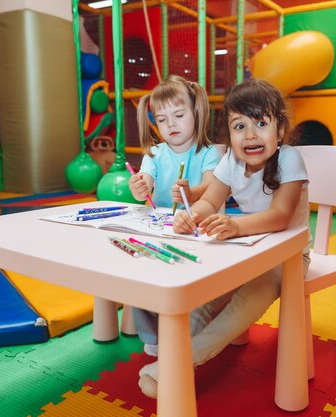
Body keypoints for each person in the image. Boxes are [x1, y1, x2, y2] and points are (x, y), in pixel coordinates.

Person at [138, 78, 312, 398]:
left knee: (242, 304)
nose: (250, 135)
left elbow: (280, 217)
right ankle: (174, 361)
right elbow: (208, 200)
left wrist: (235, 226)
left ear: (281, 130)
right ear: (229, 134)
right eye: (239, 125)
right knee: (204, 294)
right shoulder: (231, 160)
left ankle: (176, 367)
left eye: (261, 123)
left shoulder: (289, 159)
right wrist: (192, 215)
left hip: (288, 258)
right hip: (248, 250)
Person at [130, 75, 221, 355]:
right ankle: (152, 336)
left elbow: (211, 187)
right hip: (160, 230)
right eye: (162, 119)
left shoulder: (209, 153)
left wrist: (191, 192)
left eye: (179, 115)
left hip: (197, 231)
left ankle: (195, 329)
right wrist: (139, 185)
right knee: (137, 271)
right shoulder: (154, 154)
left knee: (196, 281)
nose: (170, 125)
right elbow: (143, 184)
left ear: (196, 112)